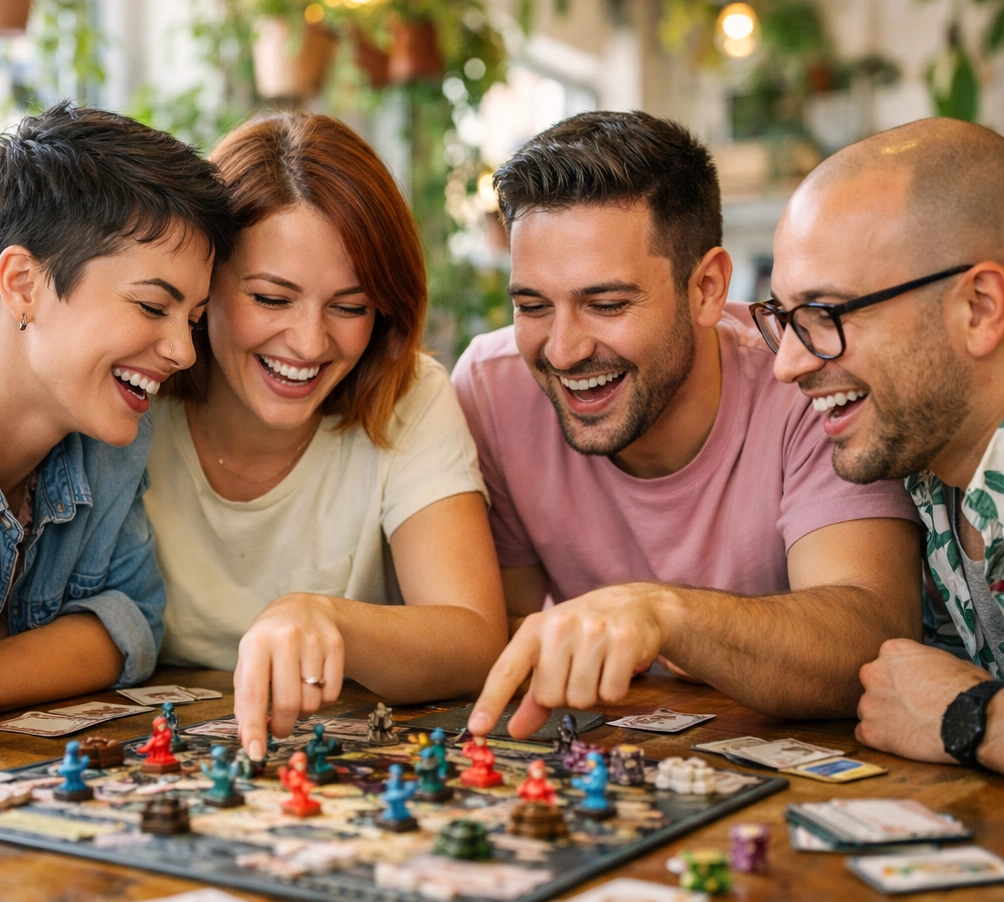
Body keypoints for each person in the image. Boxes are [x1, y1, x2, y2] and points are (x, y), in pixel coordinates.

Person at [454, 110, 923, 741]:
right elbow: (501, 631)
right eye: (532, 306)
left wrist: (664, 612)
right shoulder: (493, 385)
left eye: (607, 304)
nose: (561, 351)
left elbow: (873, 644)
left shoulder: (809, 379)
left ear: (706, 288)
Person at [146, 113, 506, 763]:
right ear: (204, 285)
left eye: (349, 307)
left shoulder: (409, 394)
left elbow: (475, 638)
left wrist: (327, 617)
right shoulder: (136, 392)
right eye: (272, 298)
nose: (310, 344)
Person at [761, 117, 1004, 773]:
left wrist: (972, 718)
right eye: (783, 319)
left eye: (827, 315)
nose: (786, 365)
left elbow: (941, 706)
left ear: (979, 308)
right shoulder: (928, 477)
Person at [0, 103, 233, 713]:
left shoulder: (109, 440)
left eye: (195, 320)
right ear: (23, 284)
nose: (183, 352)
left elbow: (131, 619)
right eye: (152, 307)